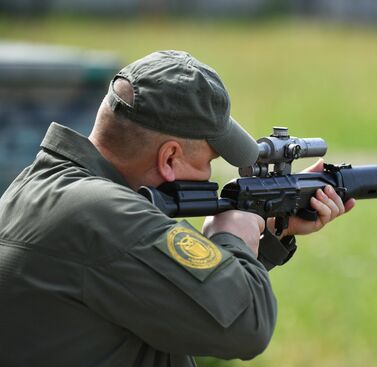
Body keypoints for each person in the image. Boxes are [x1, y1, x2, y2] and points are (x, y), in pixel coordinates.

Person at [0, 50, 354, 367]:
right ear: (169, 157)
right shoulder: (109, 215)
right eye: (208, 161)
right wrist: (229, 238)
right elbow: (247, 325)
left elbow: (178, 304)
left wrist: (271, 233)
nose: (209, 176)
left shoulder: (35, 188)